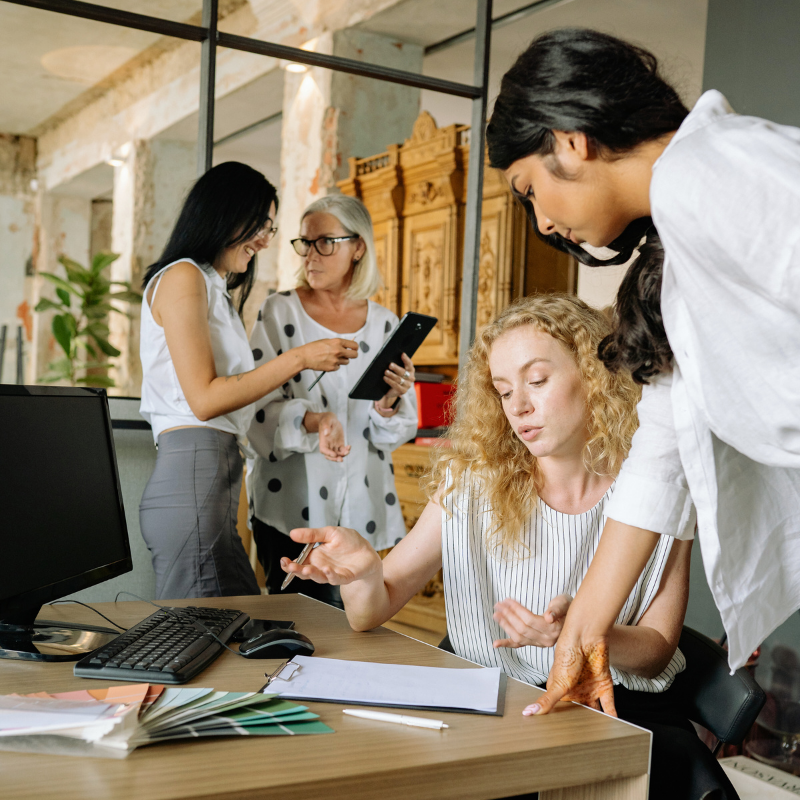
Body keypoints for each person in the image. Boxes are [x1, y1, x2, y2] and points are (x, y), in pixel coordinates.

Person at [279, 295, 736, 800]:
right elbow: (373, 609)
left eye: (537, 381)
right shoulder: (471, 484)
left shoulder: (656, 490)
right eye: (503, 391)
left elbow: (655, 653)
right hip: (500, 704)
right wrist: (365, 575)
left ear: (593, 374)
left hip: (615, 708)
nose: (518, 406)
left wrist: (583, 631)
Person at [485, 27, 800, 715]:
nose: (541, 222)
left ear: (569, 140)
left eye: (528, 189)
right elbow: (660, 460)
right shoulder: (680, 241)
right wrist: (580, 640)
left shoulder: (712, 173)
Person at [138, 162, 358, 600]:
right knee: (208, 637)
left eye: (271, 228)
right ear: (222, 213)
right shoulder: (183, 276)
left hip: (212, 478)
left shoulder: (210, 286)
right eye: (258, 223)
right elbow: (204, 399)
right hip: (193, 473)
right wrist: (300, 358)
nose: (263, 238)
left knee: (239, 630)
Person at [247, 194, 418, 607]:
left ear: (358, 246)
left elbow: (392, 432)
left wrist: (389, 401)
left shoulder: (385, 324)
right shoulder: (278, 312)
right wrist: (315, 420)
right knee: (295, 625)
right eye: (305, 242)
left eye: (325, 242)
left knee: (358, 623)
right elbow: (255, 412)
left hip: (364, 501)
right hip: (289, 506)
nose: (310, 254)